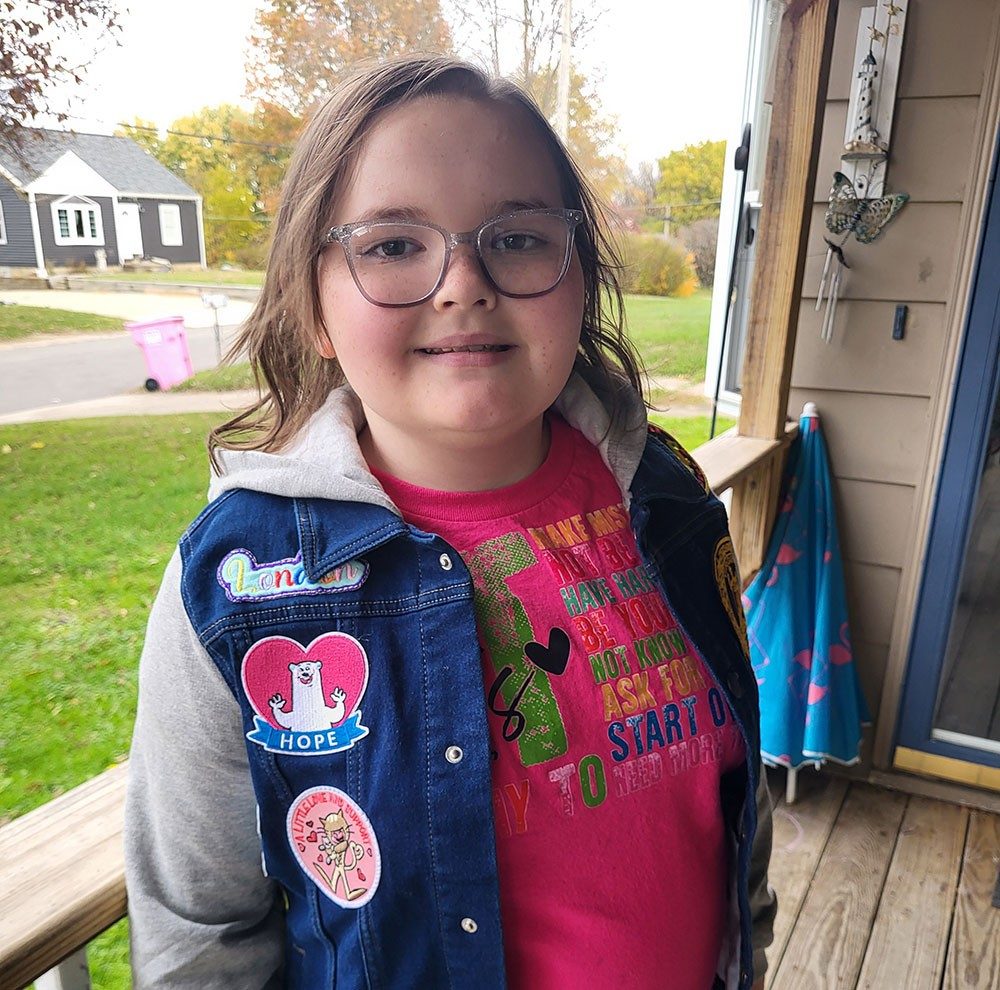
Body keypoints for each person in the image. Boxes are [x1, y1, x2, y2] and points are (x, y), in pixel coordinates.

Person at [124, 54, 776, 990]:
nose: (463, 282)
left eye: (515, 238)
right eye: (392, 245)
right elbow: (199, 934)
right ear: (314, 304)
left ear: (579, 274)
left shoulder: (668, 502)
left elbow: (730, 805)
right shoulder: (236, 587)